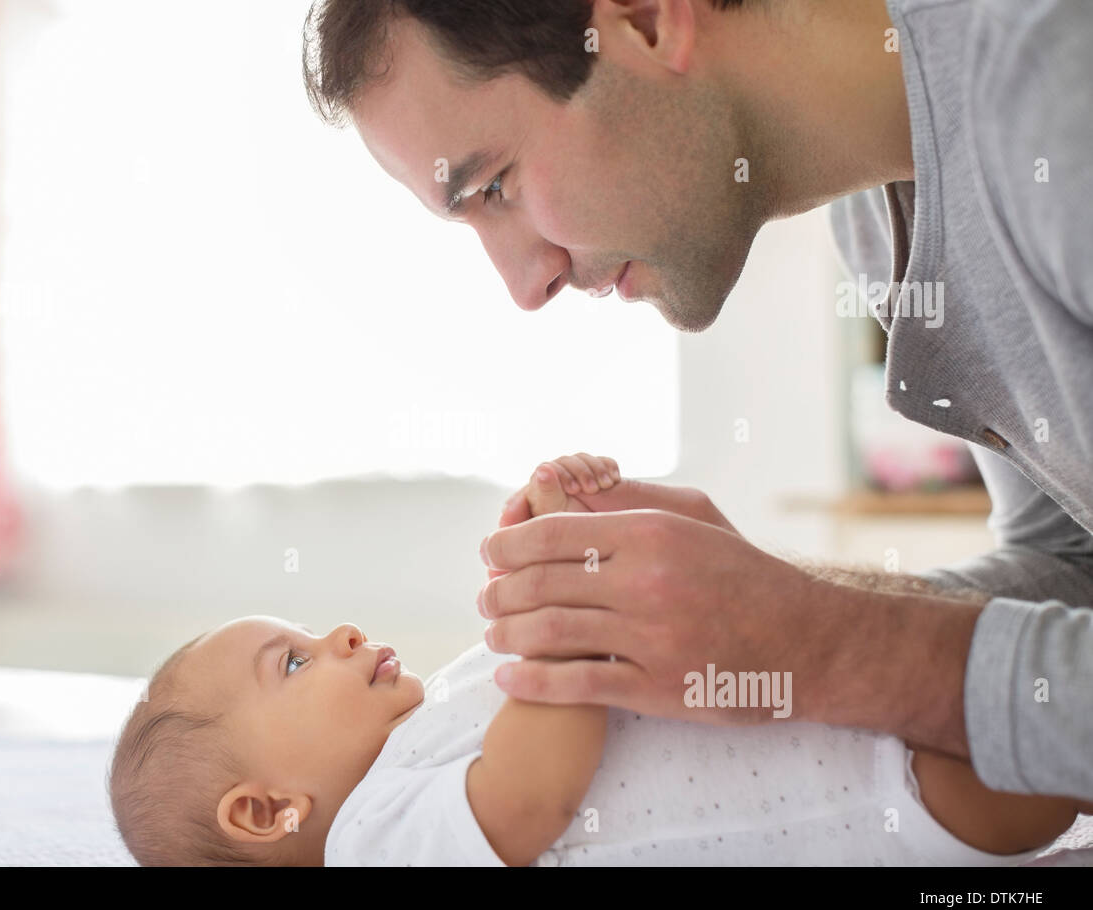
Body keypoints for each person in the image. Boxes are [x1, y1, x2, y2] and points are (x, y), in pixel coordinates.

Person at [301, 0, 1093, 804]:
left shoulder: (1056, 90)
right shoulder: (880, 215)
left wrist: (825, 644)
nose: (523, 286)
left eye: (494, 186)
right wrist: (764, 606)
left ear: (646, 22)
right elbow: (1074, 573)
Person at [107, 454, 1082, 866]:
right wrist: (565, 602)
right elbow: (529, 792)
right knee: (1028, 735)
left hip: (845, 722)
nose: (343, 635)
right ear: (267, 810)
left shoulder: (425, 731)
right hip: (877, 790)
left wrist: (565, 541)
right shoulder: (374, 840)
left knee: (1019, 677)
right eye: (293, 663)